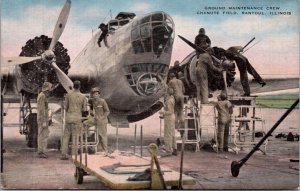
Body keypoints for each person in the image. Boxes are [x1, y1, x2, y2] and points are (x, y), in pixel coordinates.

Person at [61, 81, 88, 160]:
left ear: (73, 86)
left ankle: (64, 154)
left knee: (66, 137)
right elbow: (84, 109)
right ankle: (74, 155)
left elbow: (65, 107)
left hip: (69, 118)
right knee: (75, 137)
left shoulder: (68, 95)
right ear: (79, 87)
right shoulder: (83, 96)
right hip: (77, 118)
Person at [83, 87, 110, 156]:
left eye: (97, 94)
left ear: (99, 95)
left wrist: (102, 117)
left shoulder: (102, 101)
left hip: (102, 121)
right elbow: (88, 102)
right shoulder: (93, 101)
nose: (96, 95)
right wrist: (91, 112)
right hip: (95, 119)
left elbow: (107, 111)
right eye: (94, 94)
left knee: (102, 136)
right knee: (85, 123)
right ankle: (86, 137)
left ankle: (106, 151)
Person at [159, 87, 177, 156]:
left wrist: (163, 112)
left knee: (167, 135)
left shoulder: (169, 101)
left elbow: (170, 111)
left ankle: (168, 150)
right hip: (171, 117)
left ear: (168, 93)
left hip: (169, 118)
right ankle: (174, 149)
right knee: (172, 134)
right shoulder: (171, 98)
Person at [37, 82, 52, 158]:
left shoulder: (43, 96)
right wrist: (43, 121)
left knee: (44, 135)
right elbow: (41, 110)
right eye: (49, 89)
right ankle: (41, 152)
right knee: (42, 135)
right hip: (43, 119)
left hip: (44, 119)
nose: (50, 91)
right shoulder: (42, 96)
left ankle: (42, 151)